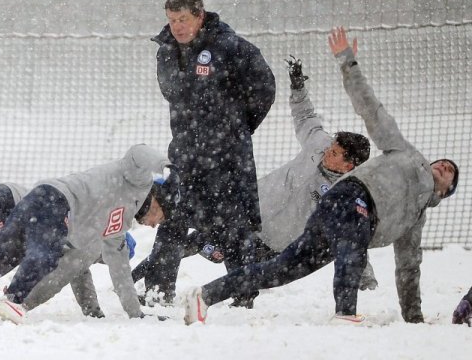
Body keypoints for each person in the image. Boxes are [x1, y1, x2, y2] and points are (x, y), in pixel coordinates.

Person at [183, 26, 460, 326]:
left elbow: (407, 267)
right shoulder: (406, 155)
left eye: (451, 174)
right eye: (444, 163)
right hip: (338, 200)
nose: (446, 166)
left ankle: (205, 296)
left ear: (443, 194)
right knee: (196, 237)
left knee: (281, 270)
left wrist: (414, 319)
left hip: (306, 228)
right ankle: (345, 313)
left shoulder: (413, 221)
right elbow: (371, 109)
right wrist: (347, 61)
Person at [133, 56, 377, 307]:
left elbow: (352, 233)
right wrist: (297, 86)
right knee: (184, 237)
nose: (328, 152)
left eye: (335, 153)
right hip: (246, 213)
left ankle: (241, 306)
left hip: (272, 244)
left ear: (350, 165)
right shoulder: (319, 144)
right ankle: (146, 285)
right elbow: (305, 116)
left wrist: (365, 276)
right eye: (331, 147)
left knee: (242, 276)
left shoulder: (346, 192)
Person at [0, 144, 179, 323]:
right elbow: (138, 153)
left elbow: (117, 273)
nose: (154, 224)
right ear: (156, 200)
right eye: (159, 217)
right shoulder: (138, 182)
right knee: (47, 252)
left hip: (36, 211)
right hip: (51, 199)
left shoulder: (116, 229)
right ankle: (13, 300)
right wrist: (167, 165)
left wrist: (136, 315)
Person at [141, 0, 276, 304]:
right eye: (172, 20)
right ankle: (158, 292)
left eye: (183, 19)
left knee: (234, 226)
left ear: (199, 16)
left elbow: (264, 87)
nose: (177, 26)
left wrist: (236, 128)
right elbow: (173, 95)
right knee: (171, 219)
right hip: (184, 154)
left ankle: (242, 294)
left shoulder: (230, 46)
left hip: (226, 157)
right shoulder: (165, 51)